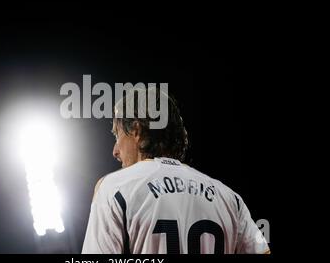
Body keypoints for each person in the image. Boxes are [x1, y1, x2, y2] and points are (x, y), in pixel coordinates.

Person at [81, 87, 270, 254]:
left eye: (117, 134)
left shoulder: (113, 188)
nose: (115, 151)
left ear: (136, 130)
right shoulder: (230, 198)